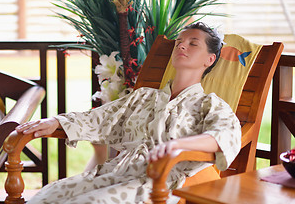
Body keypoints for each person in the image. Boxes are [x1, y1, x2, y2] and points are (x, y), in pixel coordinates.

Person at [16, 22, 241, 203]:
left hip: (154, 183)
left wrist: (177, 146)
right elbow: (101, 117)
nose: (182, 46)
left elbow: (223, 136)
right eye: (179, 42)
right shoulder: (143, 96)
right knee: (48, 195)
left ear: (210, 59)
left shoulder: (210, 104)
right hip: (114, 173)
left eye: (193, 44)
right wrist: (57, 121)